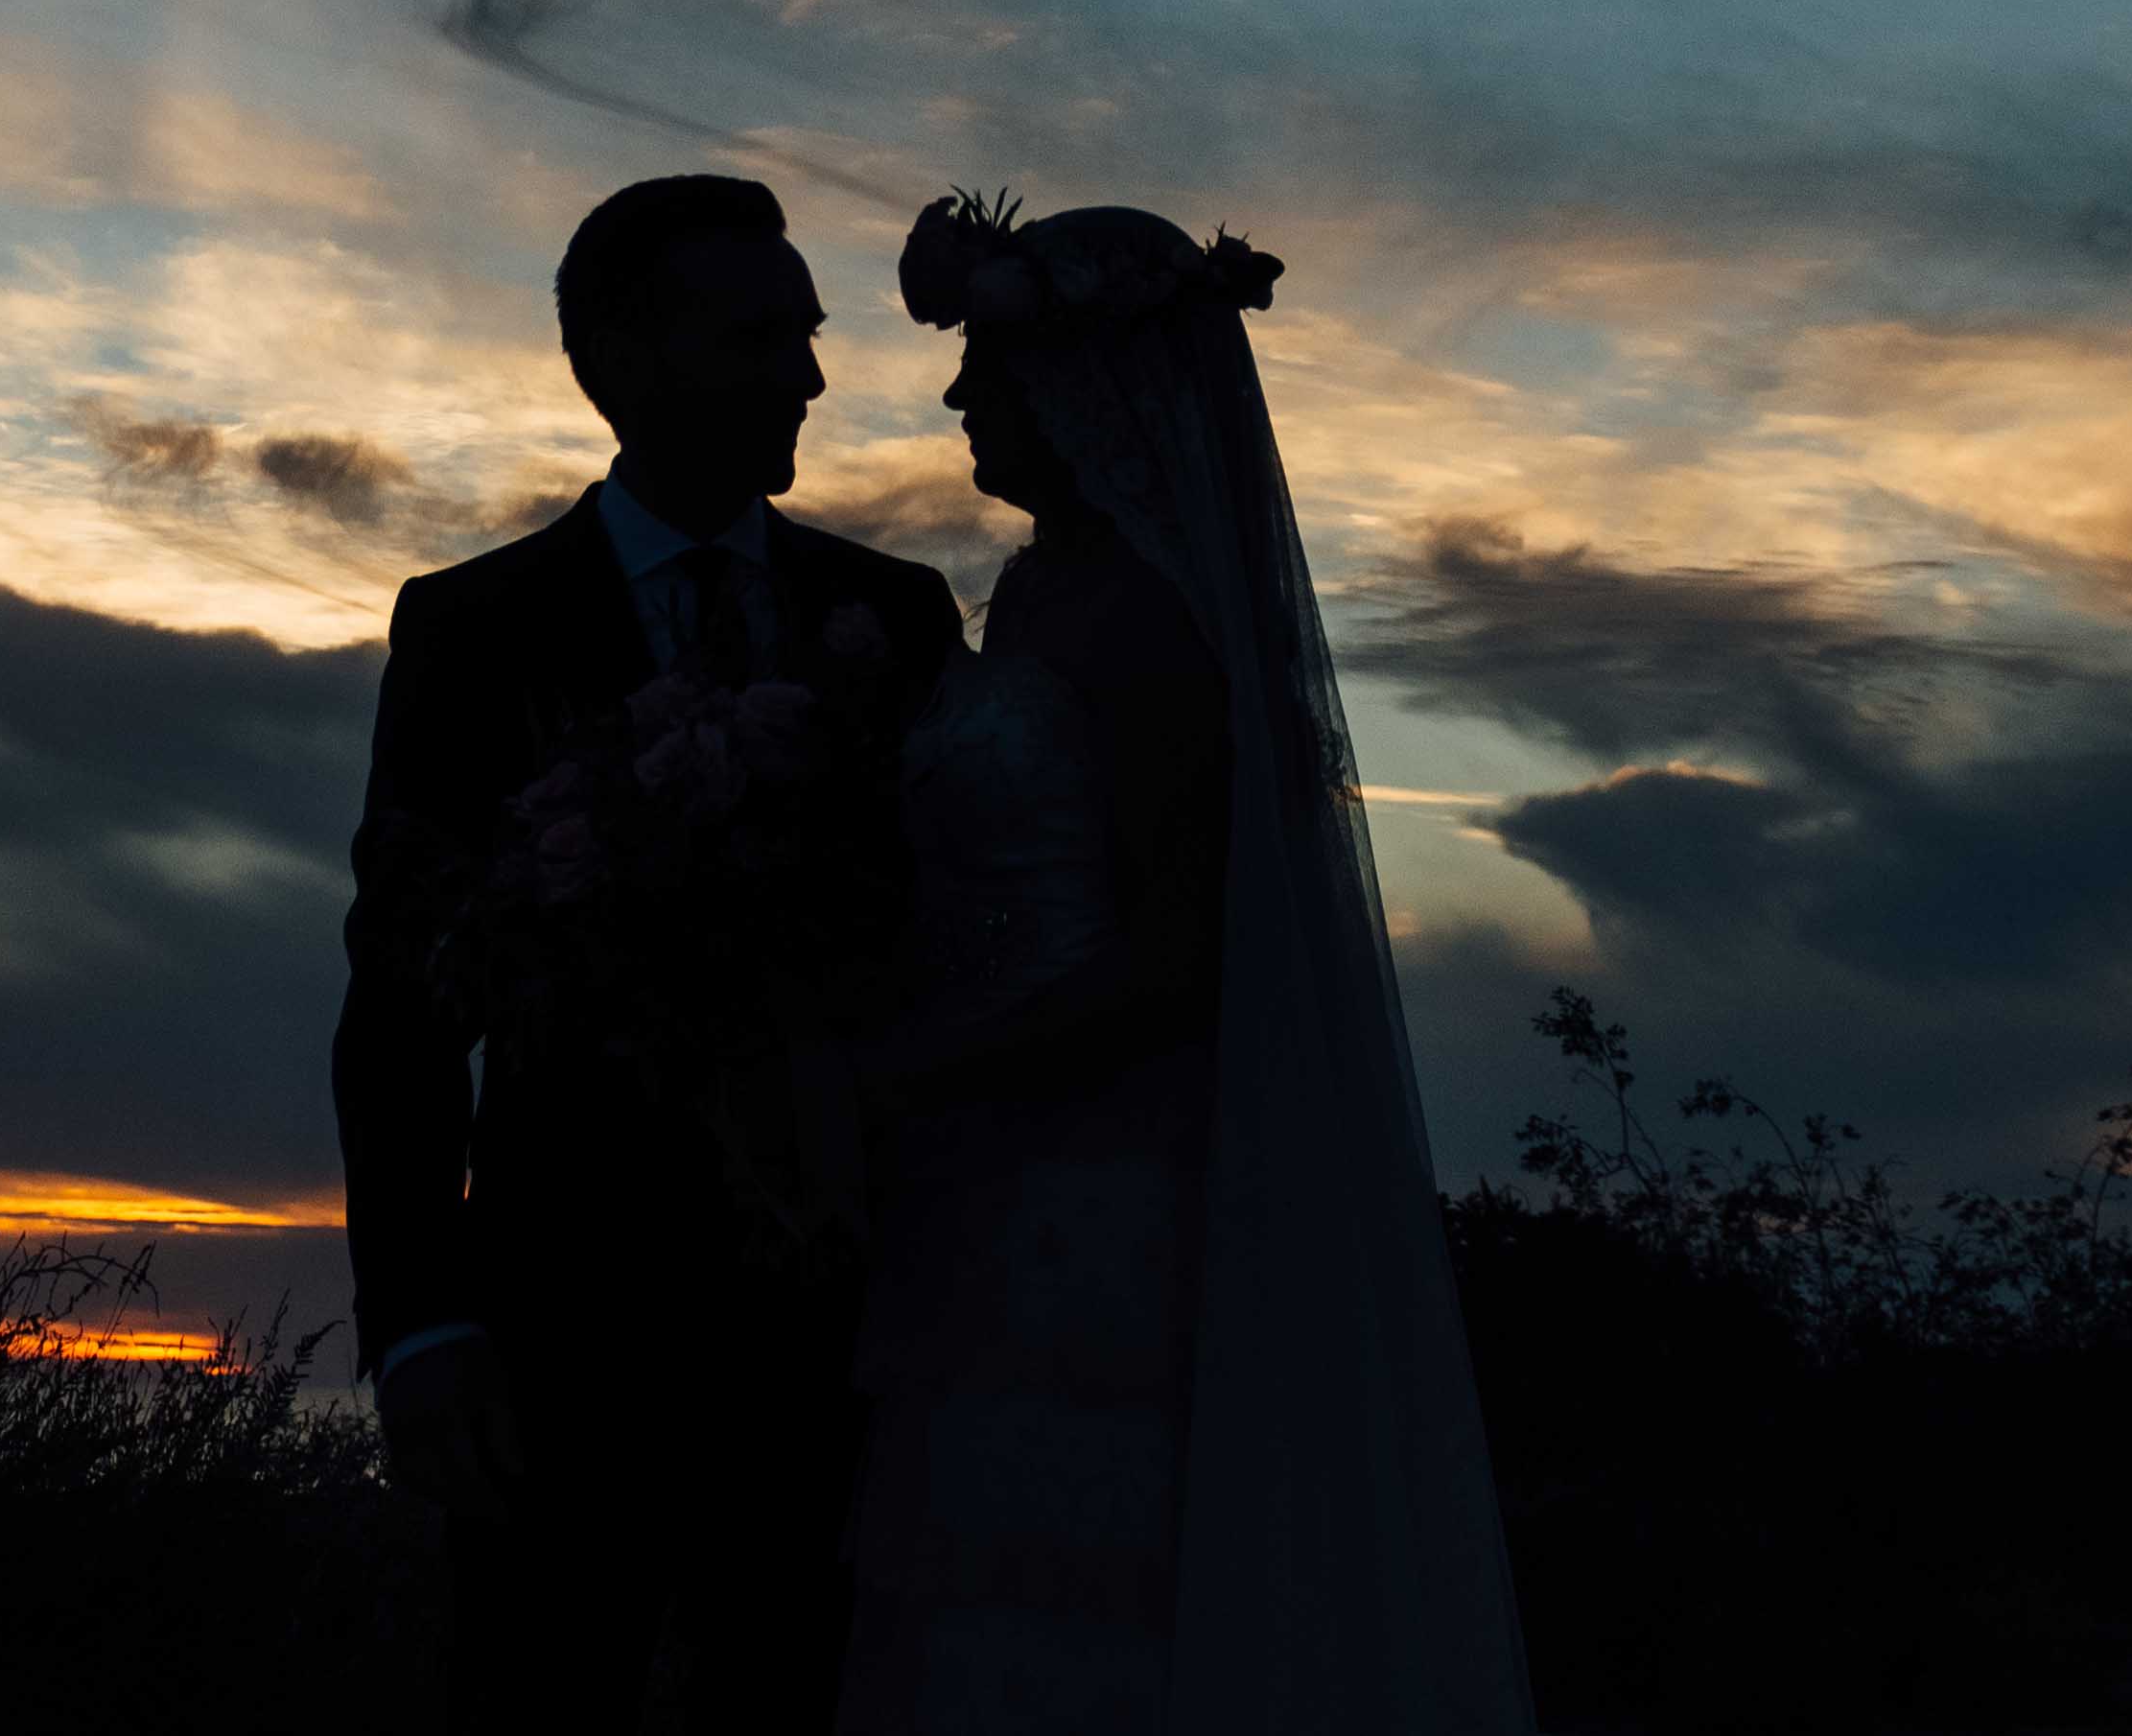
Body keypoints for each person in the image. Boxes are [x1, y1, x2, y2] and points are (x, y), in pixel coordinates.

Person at [835, 197, 1531, 1736]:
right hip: (979, 1160)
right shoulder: (1033, 592)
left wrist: (896, 1073)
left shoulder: (1155, 621)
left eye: (993, 366)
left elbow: (1169, 957)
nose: (958, 397)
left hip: (1100, 1169)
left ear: (1093, 384)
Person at [336, 174, 972, 1731]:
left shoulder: (891, 616)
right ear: (620, 357)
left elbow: (952, 943)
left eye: (808, 332)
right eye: (760, 334)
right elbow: (406, 1000)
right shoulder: (472, 628)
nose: (811, 376)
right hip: (563, 1340)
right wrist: (421, 1321)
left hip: (848, 1340)